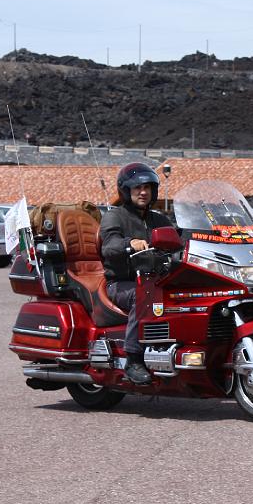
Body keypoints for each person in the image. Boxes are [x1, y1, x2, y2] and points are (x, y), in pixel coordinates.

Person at [99, 163, 175, 385]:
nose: (143, 192)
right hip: (121, 284)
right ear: (126, 190)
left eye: (147, 187)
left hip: (157, 280)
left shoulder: (159, 220)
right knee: (144, 295)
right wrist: (129, 243)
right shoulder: (115, 217)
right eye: (137, 188)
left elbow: (179, 241)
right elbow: (109, 246)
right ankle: (134, 359)